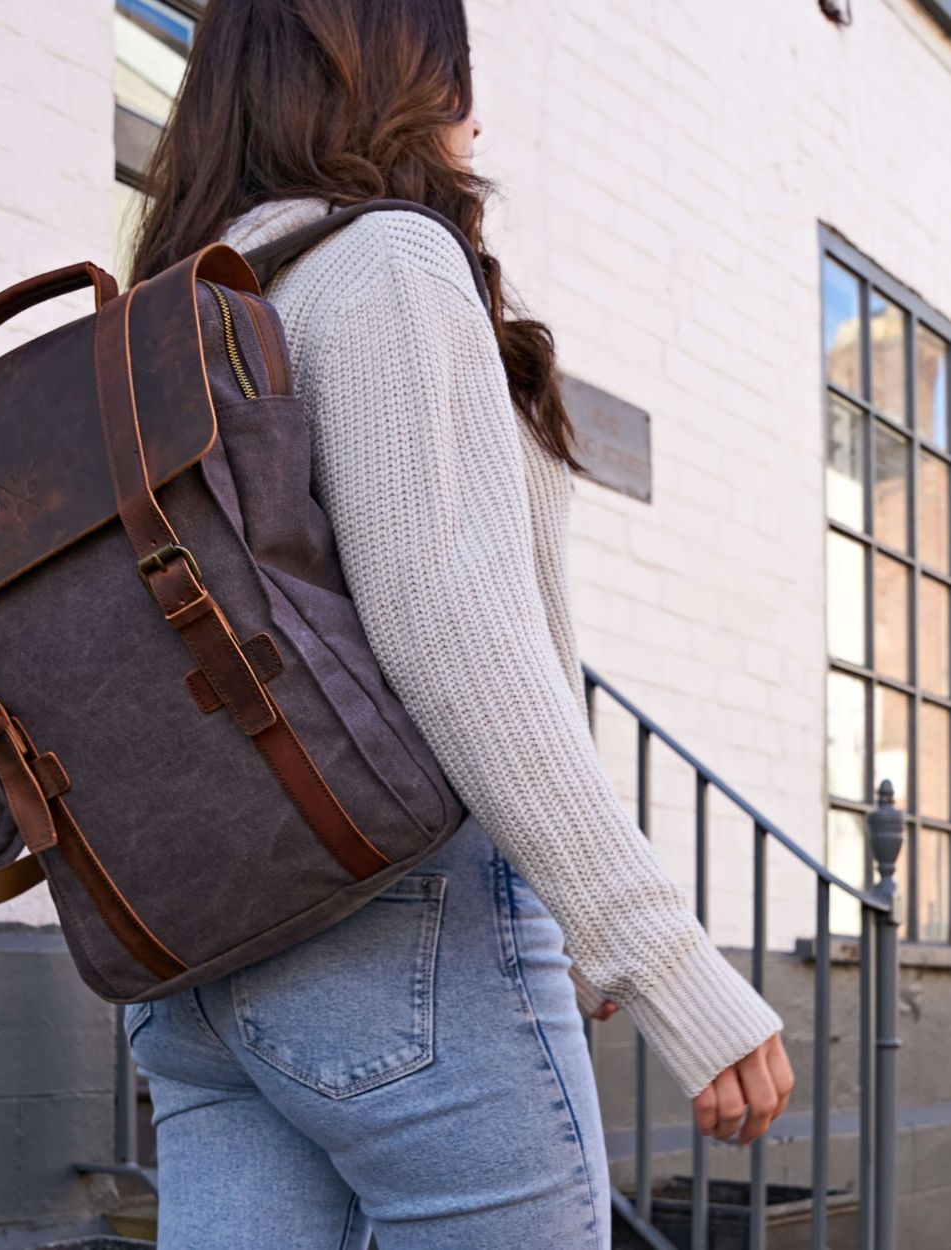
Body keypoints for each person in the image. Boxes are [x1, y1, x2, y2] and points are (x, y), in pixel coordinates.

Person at [122, 2, 794, 1246]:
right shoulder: (385, 262)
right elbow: (452, 630)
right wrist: (655, 954)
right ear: (401, 76)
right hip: (398, 943)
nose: (477, 110)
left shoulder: (175, 319)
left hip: (196, 966)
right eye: (458, 70)